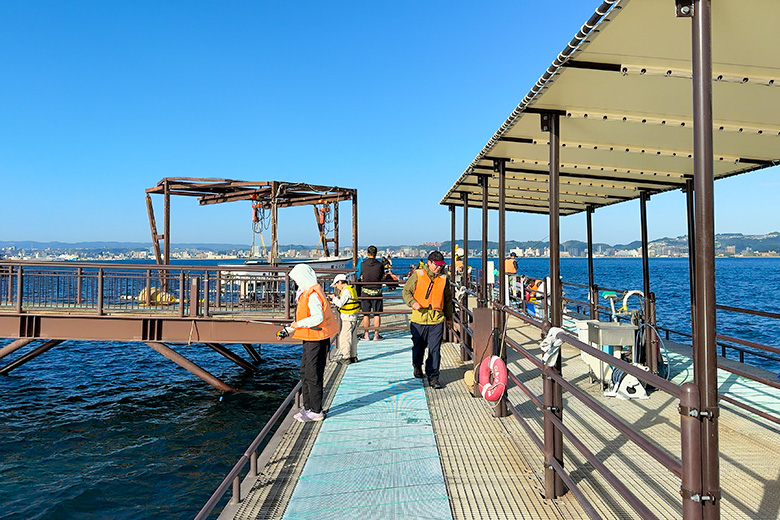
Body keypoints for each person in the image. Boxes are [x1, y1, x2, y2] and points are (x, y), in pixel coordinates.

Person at [286, 264, 339, 423]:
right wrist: (292, 327)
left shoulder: (313, 294)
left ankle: (316, 410)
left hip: (316, 338)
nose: (295, 282)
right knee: (305, 372)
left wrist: (298, 324)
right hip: (310, 338)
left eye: (295, 279)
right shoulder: (307, 292)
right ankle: (308, 407)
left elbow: (317, 317)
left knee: (313, 374)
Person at [402, 251, 453, 389]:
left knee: (435, 349)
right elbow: (406, 291)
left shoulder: (443, 278)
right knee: (418, 347)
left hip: (436, 319)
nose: (439, 268)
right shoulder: (418, 275)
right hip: (419, 318)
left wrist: (449, 318)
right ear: (429, 263)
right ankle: (417, 366)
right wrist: (412, 303)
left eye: (441, 265)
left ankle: (433, 377)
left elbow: (448, 300)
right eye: (436, 265)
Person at [330, 273, 360, 364]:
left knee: (345, 337)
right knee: (353, 337)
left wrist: (334, 298)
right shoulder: (352, 289)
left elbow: (340, 303)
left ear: (340, 282)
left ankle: (346, 357)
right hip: (353, 316)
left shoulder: (346, 291)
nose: (336, 286)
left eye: (336, 284)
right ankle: (353, 356)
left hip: (348, 317)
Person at [359, 245, 385, 340]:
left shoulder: (363, 264)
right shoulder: (380, 265)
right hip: (377, 291)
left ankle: (366, 335)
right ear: (376, 254)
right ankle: (376, 335)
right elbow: (382, 276)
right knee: (377, 313)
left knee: (366, 314)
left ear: (367, 253)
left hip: (365, 291)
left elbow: (360, 275)